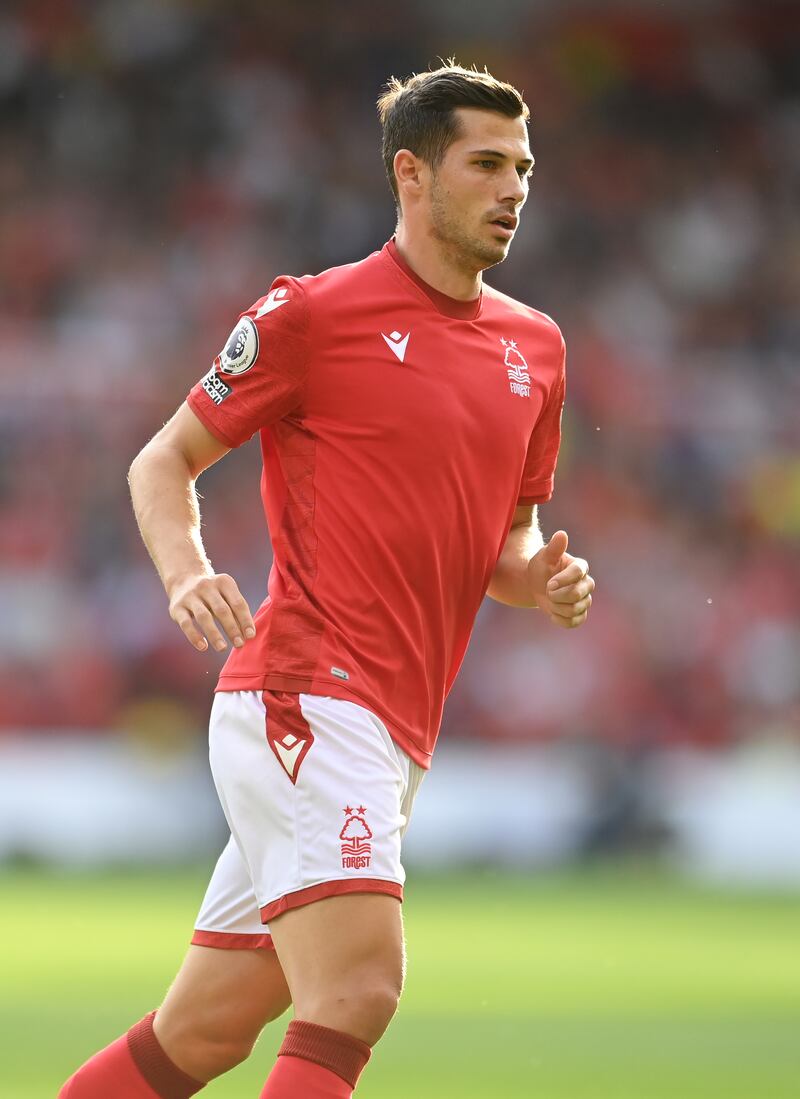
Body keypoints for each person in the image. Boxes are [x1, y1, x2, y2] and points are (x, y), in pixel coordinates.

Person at [59, 62, 595, 1099]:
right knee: (355, 991)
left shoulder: (538, 346)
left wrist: (543, 581)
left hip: (391, 727)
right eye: (484, 165)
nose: (512, 189)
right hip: (308, 696)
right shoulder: (311, 313)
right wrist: (187, 571)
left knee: (203, 1031)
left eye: (521, 168)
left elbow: (505, 545)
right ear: (410, 173)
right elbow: (161, 459)